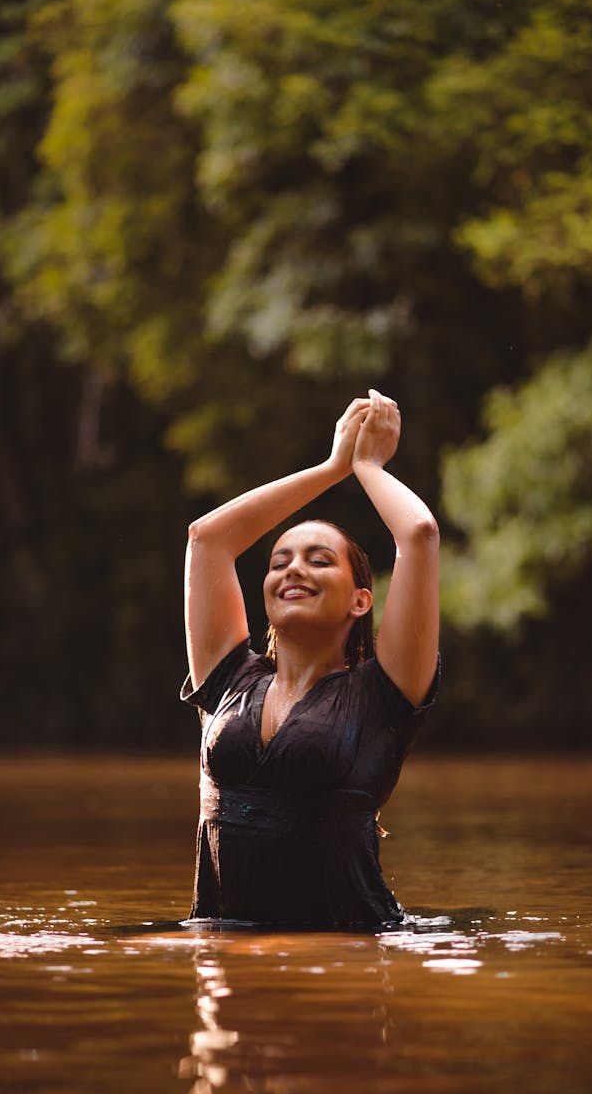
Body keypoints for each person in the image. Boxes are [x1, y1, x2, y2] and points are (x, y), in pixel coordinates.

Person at [181, 389, 440, 927]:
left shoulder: (384, 695)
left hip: (345, 951)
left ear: (359, 600)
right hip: (226, 950)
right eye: (280, 562)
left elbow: (418, 534)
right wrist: (330, 466)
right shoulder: (229, 679)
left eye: (318, 561)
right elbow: (207, 540)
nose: (293, 569)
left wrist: (365, 466)